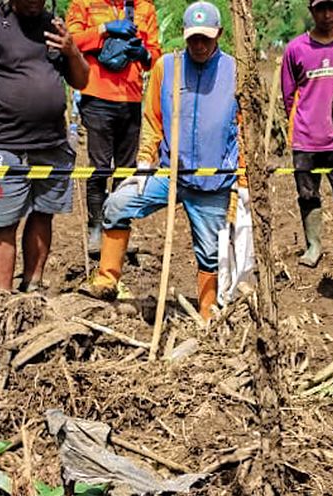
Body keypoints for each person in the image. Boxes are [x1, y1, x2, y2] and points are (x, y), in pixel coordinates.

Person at [84, 1, 240, 319]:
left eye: (206, 39)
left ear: (219, 35)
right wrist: (144, 163)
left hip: (213, 182)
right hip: (169, 174)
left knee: (210, 253)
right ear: (184, 35)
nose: (198, 45)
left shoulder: (235, 71)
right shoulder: (167, 67)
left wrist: (241, 184)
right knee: (116, 204)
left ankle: (208, 313)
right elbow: (153, 120)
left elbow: (244, 130)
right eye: (193, 38)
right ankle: (106, 279)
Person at [0, 0, 88, 292]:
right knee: (3, 223)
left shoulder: (55, 26)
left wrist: (72, 51)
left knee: (43, 214)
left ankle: (33, 284)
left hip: (52, 144)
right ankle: (3, 298)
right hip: (4, 144)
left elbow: (81, 81)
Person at [66, 0, 161, 256]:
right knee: (99, 166)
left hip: (130, 99)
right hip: (96, 95)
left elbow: (155, 55)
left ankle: (118, 227)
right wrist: (104, 30)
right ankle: (96, 226)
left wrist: (143, 54)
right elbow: (70, 42)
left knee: (126, 169)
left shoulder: (144, 8)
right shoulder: (84, 3)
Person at [280, 0, 333, 273]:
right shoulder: (295, 49)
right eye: (320, 9)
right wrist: (299, 125)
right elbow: (288, 96)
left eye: (332, 7)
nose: (327, 15)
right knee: (307, 195)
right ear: (311, 11)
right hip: (306, 138)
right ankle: (313, 245)